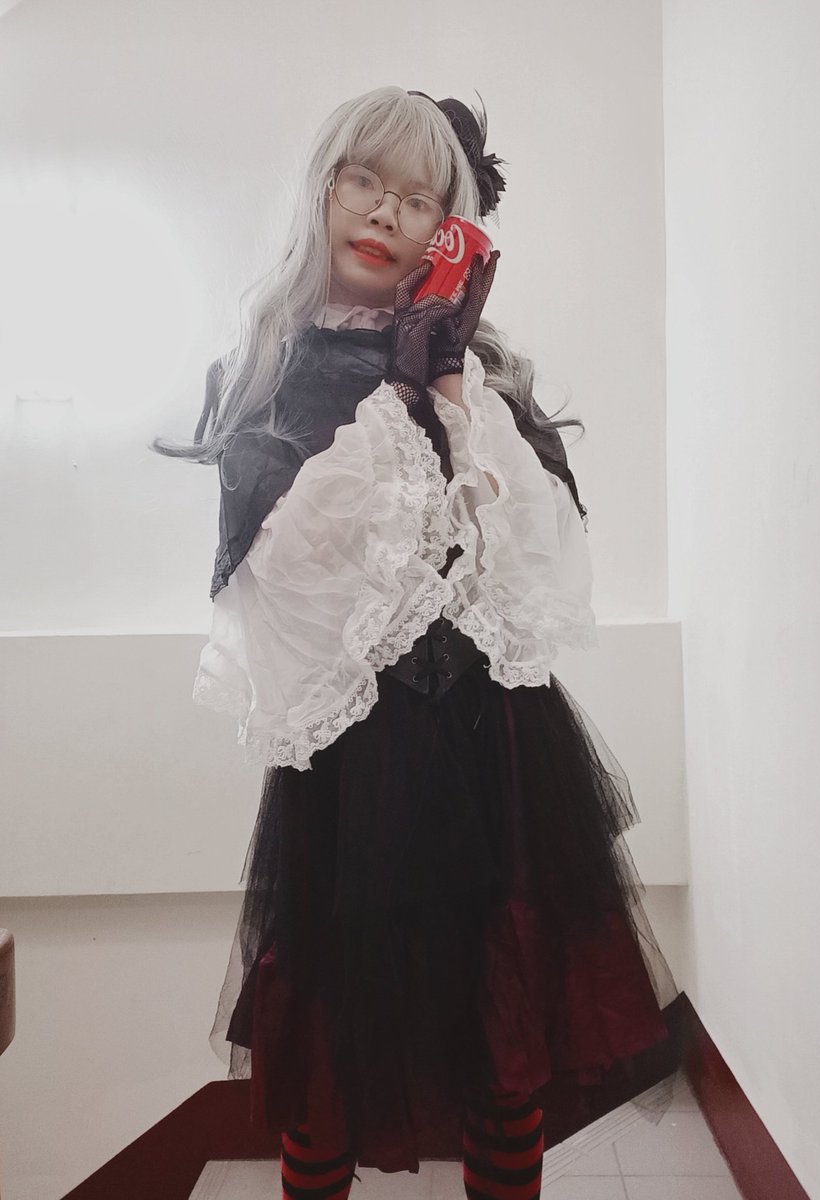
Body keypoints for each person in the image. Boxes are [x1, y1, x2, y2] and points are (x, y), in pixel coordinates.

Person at [152, 85, 683, 1200]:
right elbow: (282, 570)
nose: (384, 213)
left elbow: (536, 562)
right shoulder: (265, 371)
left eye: (417, 198)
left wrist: (445, 381)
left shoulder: (480, 378)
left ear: (451, 230)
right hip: (353, 768)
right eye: (363, 180)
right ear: (323, 189)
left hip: (500, 751)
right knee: (328, 1063)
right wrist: (392, 391)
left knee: (507, 1048)